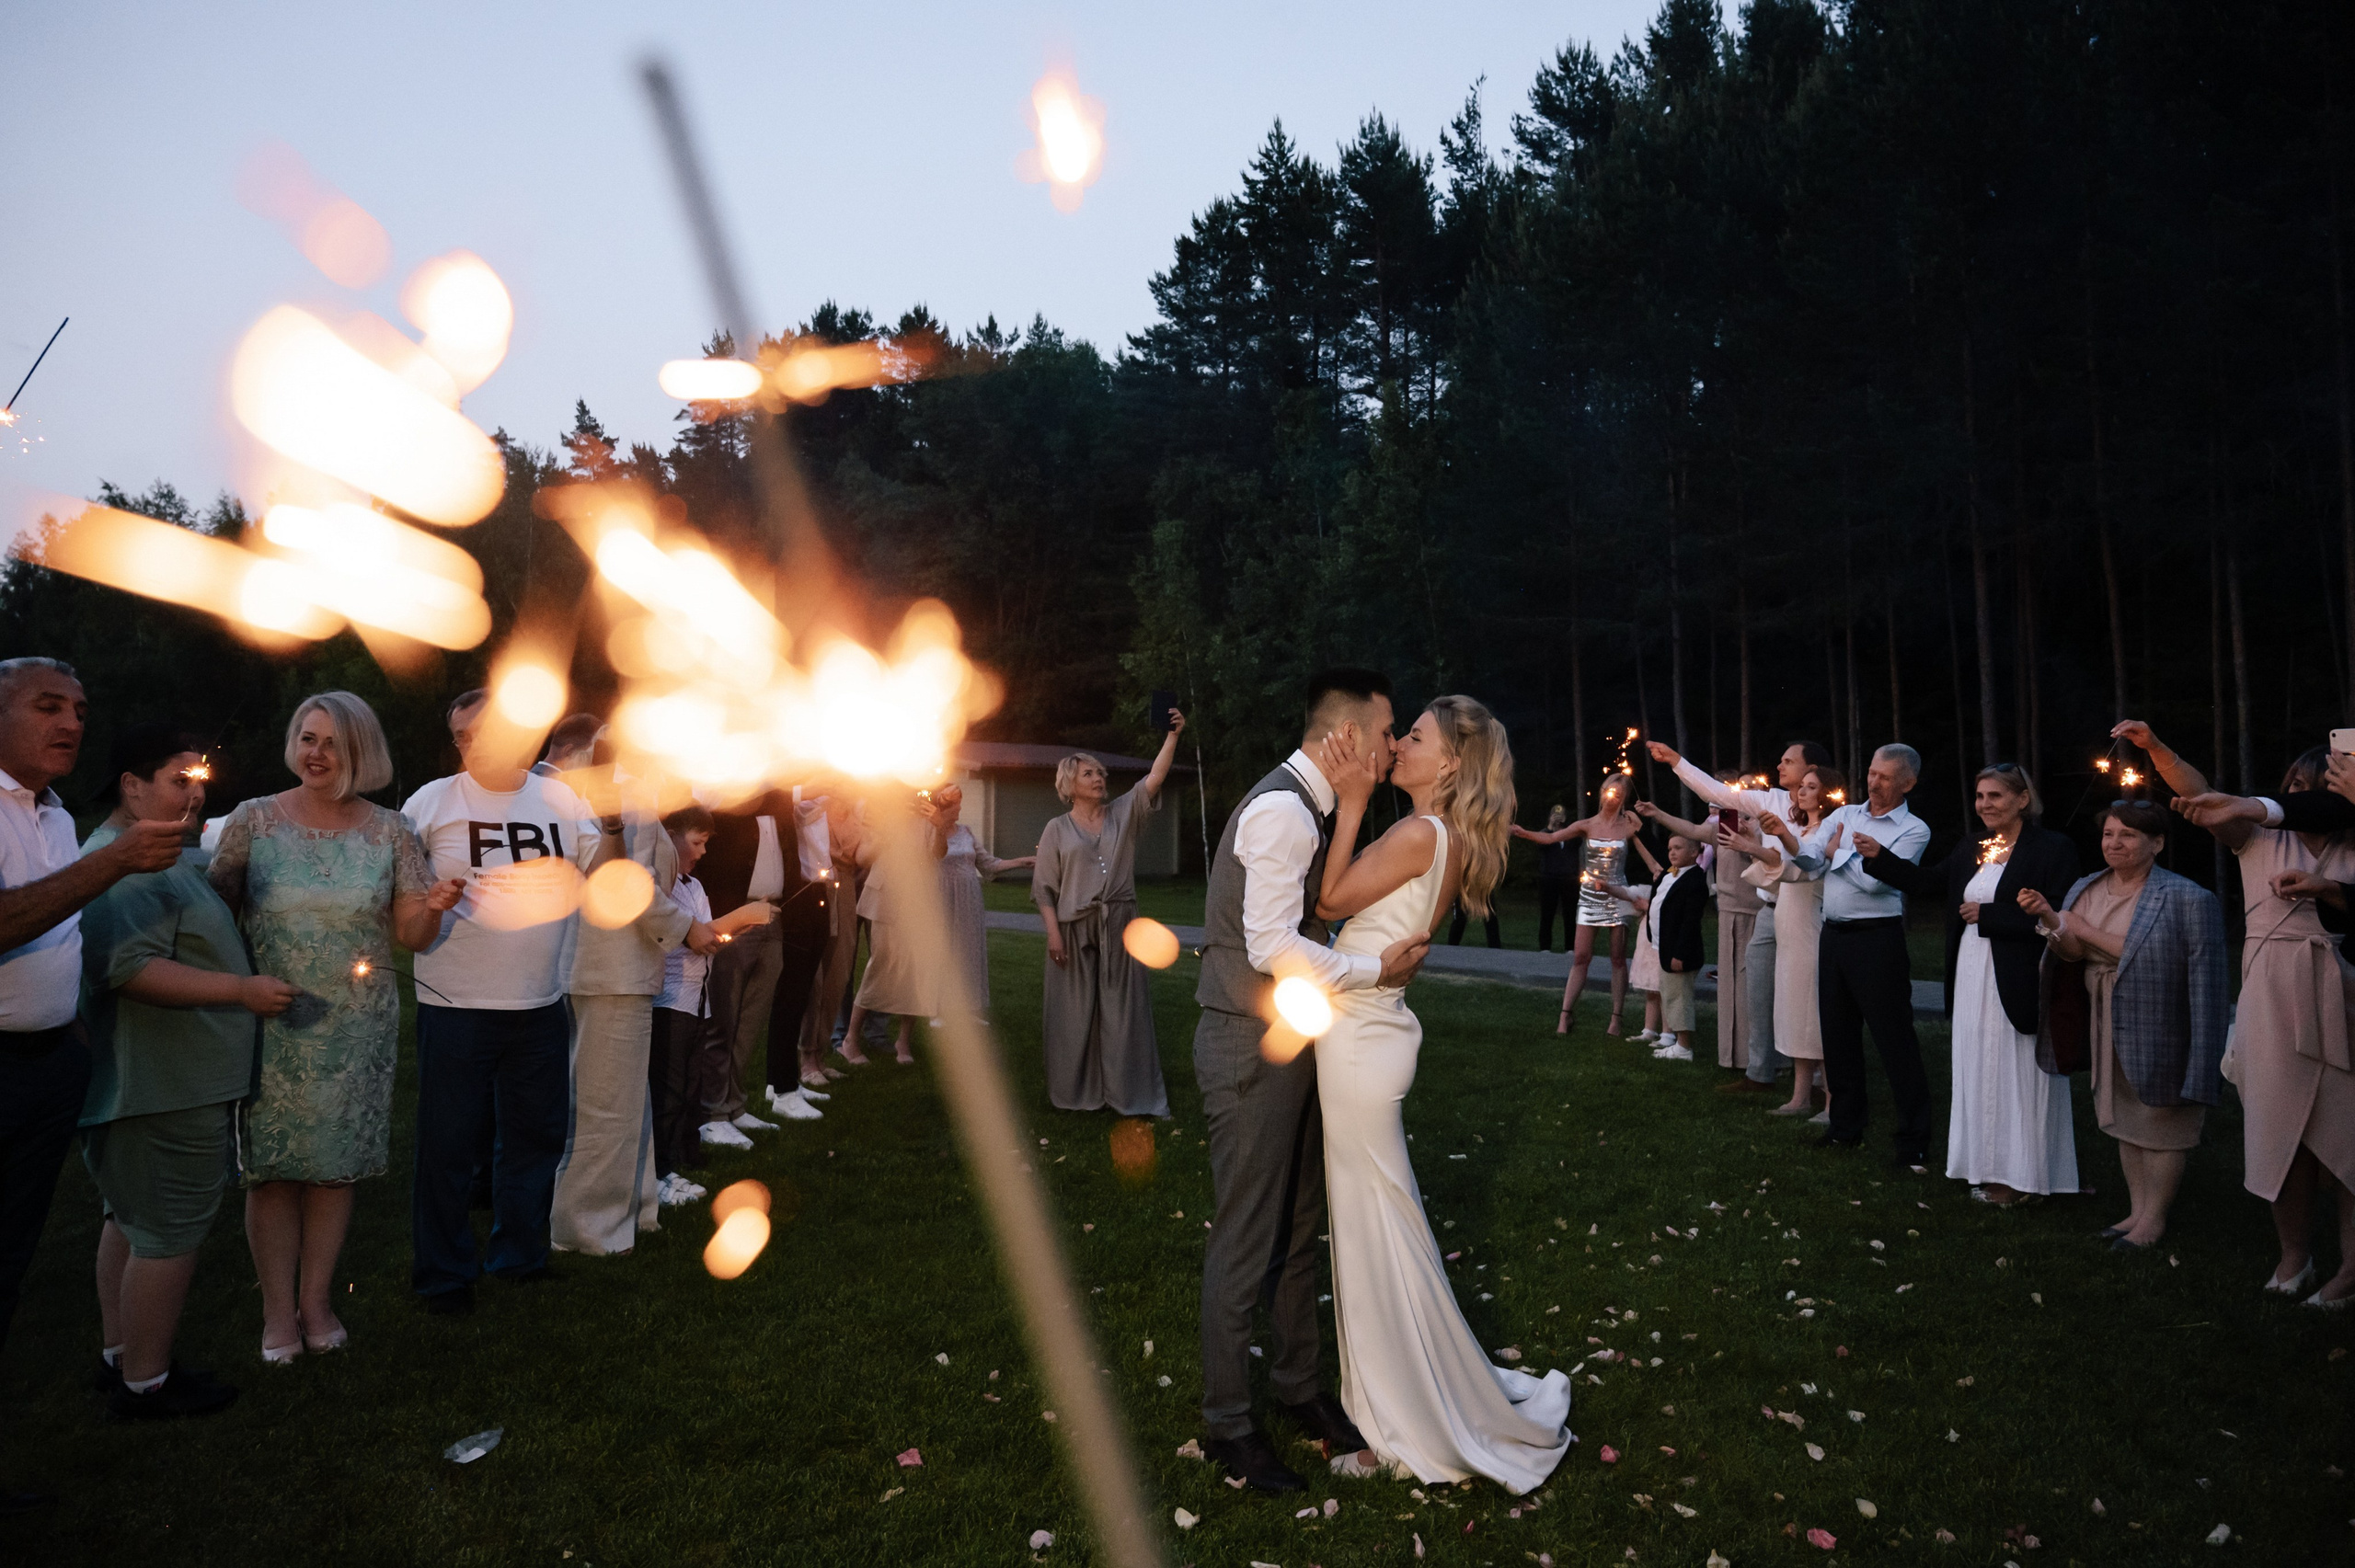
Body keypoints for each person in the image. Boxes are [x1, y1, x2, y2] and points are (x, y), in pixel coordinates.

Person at [1310, 694, 1571, 1489]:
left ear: (1450, 762)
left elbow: (1328, 902)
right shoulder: (1446, 836)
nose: (1399, 747)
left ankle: (1401, 1427)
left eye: (1413, 737)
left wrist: (1351, 802)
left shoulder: (1419, 830)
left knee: (1375, 1240)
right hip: (1370, 1033)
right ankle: (1408, 1396)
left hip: (1359, 1041)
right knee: (1385, 1231)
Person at [1192, 669, 1428, 1493]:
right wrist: (1375, 969)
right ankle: (1227, 1428)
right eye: (1390, 728)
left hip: (1287, 1046)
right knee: (1248, 1236)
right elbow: (1272, 948)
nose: (1396, 744)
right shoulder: (1283, 812)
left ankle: (1298, 1391)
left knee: (1296, 1231)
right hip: (1248, 1046)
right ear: (1352, 739)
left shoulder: (1308, 809)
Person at [210, 691, 452, 1356]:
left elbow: (412, 934)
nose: (316, 753)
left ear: (359, 753)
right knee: (274, 1170)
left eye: (332, 742)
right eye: (307, 737)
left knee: (333, 1169)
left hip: (355, 1030)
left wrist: (433, 905)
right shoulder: (252, 821)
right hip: (272, 1019)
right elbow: (210, 921)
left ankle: (316, 1303)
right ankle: (276, 1314)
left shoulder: (391, 830)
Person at [0, 659, 184, 1506]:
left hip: (45, 1066)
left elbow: (59, 931)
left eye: (79, 706)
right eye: (47, 705)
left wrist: (67, 1031)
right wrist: (110, 867)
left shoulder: (53, 815)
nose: (71, 720)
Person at [78, 725, 297, 1417]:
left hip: (158, 1081)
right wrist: (240, 991)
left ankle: (121, 1357)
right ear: (131, 785)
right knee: (168, 1231)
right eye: (179, 779)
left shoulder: (161, 852)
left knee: (131, 1218)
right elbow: (131, 969)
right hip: (161, 1082)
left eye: (200, 780)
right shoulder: (127, 864)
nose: (196, 792)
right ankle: (148, 1383)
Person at [2124, 722, 2355, 1304]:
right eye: (2298, 787)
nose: (2305, 800)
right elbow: (2202, 798)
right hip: (2272, 990)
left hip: (2343, 991)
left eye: (2320, 789)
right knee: (2280, 1130)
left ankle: (2352, 1269)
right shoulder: (2258, 838)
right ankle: (2294, 1258)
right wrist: (2157, 748)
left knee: (2347, 1134)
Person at [400, 688, 599, 1314]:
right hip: (454, 999)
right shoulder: (429, 804)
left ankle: (520, 1254)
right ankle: (444, 1272)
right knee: (448, 1144)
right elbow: (403, 898)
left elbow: (601, 870)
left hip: (540, 999)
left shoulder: (561, 799)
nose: (471, 745)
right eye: (461, 736)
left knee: (535, 1136)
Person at [553, 744, 758, 1257]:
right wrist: (686, 927)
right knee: (605, 1108)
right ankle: (586, 1229)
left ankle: (635, 1208)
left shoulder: (637, 795)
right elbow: (625, 880)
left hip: (627, 969)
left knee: (630, 1104)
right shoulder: (614, 795)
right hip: (608, 971)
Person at [1857, 764, 2080, 1203]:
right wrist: (1878, 857)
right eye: (1980, 797)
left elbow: (2063, 911)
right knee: (1979, 1065)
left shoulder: (2052, 847)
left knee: (2016, 1070)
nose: (1985, 805)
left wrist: (1992, 916)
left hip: (2017, 975)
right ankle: (1984, 1166)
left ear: (2022, 799)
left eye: (1995, 796)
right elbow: (1928, 883)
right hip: (1972, 971)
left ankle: (2027, 1177)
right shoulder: (1974, 846)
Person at [2020, 801, 2226, 1251]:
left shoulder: (2189, 897)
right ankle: (2136, 1211)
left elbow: (2177, 968)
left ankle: (2154, 1221)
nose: (2115, 843)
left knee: (2162, 1120)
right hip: (2106, 1014)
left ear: (2157, 843)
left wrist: (2087, 932)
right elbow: (2071, 952)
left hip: (2166, 1019)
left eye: (2128, 835)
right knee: (2125, 1118)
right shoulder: (2086, 886)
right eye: (2109, 833)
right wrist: (2050, 919)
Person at [1647, 739, 1836, 1093]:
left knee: (1808, 994)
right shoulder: (1771, 800)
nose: (1780, 766)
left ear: (1812, 771)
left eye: (1788, 761)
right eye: (1780, 760)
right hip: (1770, 911)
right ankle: (1759, 1072)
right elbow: (1719, 792)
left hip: (1809, 913)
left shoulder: (1830, 815)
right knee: (1757, 990)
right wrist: (1676, 762)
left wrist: (1756, 846)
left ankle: (1819, 1074)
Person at [1792, 744, 1934, 1166]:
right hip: (1833, 936)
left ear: (1907, 783)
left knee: (1894, 1041)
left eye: (1886, 777)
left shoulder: (1913, 830)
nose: (1874, 782)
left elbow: (1878, 884)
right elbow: (1809, 860)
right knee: (1838, 1038)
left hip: (1877, 941)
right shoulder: (1846, 814)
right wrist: (1816, 847)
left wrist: (1837, 852)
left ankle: (1914, 1140)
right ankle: (1845, 1128)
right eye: (1872, 773)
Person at [1034, 718, 1183, 1116]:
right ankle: (1076, 1093)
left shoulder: (1124, 813)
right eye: (1089, 773)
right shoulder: (1056, 829)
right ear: (1070, 783)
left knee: (1122, 1012)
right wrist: (1053, 935)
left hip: (1120, 926)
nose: (1100, 778)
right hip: (1074, 928)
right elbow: (1044, 889)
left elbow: (1155, 777)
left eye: (1101, 772)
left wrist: (1173, 736)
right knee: (1075, 1015)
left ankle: (1126, 1095)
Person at [693, 787, 824, 1143]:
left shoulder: (777, 799)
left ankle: (734, 1105)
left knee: (750, 1021)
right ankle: (712, 1113)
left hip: (774, 917)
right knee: (724, 1018)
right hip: (734, 915)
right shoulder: (728, 792)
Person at [1740, 767, 1844, 1119]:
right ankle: (1800, 1097)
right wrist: (1750, 844)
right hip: (1787, 929)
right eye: (1801, 786)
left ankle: (1833, 1100)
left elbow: (1805, 867)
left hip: (1811, 930)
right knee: (1794, 1013)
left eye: (1811, 787)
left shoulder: (1833, 832)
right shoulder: (1800, 830)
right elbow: (1778, 874)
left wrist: (1767, 841)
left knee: (1815, 1014)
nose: (1801, 792)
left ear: (1827, 794)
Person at [1513, 773, 1643, 1036]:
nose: (1612, 797)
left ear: (1624, 798)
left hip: (1617, 893)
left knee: (1618, 959)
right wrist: (1522, 832)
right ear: (1601, 792)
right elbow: (1551, 838)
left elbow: (1645, 848)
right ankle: (1565, 1016)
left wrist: (1639, 825)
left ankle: (1616, 1018)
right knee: (1581, 957)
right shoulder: (1587, 824)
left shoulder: (1628, 825)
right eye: (1608, 791)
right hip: (1589, 895)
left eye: (1618, 794)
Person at [842, 790, 956, 1068]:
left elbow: (938, 853)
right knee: (881, 965)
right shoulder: (878, 812)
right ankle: (850, 1039)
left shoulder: (930, 815)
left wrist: (940, 826)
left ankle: (903, 1041)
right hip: (885, 898)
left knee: (919, 970)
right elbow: (863, 857)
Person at [650, 806, 719, 1205]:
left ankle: (680, 1156)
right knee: (668, 1088)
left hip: (697, 999)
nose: (702, 851)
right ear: (670, 835)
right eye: (697, 842)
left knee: (689, 1085)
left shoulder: (693, 886)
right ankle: (659, 1170)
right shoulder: (664, 889)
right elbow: (691, 933)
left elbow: (706, 932)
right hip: (670, 999)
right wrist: (744, 918)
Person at [936, 782, 1034, 1015]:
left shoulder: (966, 832)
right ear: (942, 807)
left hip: (969, 898)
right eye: (954, 806)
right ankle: (937, 1009)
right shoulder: (930, 833)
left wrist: (1022, 862)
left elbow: (989, 864)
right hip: (942, 896)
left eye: (960, 805)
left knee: (969, 949)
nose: (959, 810)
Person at [1608, 831, 1705, 1060]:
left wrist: (1680, 953)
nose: (1672, 852)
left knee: (1680, 998)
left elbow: (1689, 921)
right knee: (1670, 995)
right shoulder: (1669, 875)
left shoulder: (1694, 879)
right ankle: (1674, 1041)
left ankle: (1683, 1046)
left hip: (1680, 951)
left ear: (1694, 852)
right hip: (1661, 946)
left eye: (1678, 848)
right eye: (1670, 848)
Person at [798, 791, 863, 1089]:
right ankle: (806, 1058)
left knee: (839, 972)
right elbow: (843, 851)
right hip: (816, 885)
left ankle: (821, 1054)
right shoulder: (810, 800)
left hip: (845, 886)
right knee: (816, 977)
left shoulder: (855, 808)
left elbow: (854, 853)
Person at [1532, 805, 1577, 954]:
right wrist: (1550, 827)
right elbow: (1541, 845)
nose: (1558, 818)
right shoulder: (1545, 833)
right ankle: (1545, 947)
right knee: (1547, 913)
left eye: (1560, 816)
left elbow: (1578, 843)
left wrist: (1565, 828)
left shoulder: (1571, 833)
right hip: (1548, 878)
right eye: (1555, 816)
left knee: (1570, 914)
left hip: (1568, 878)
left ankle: (1570, 947)